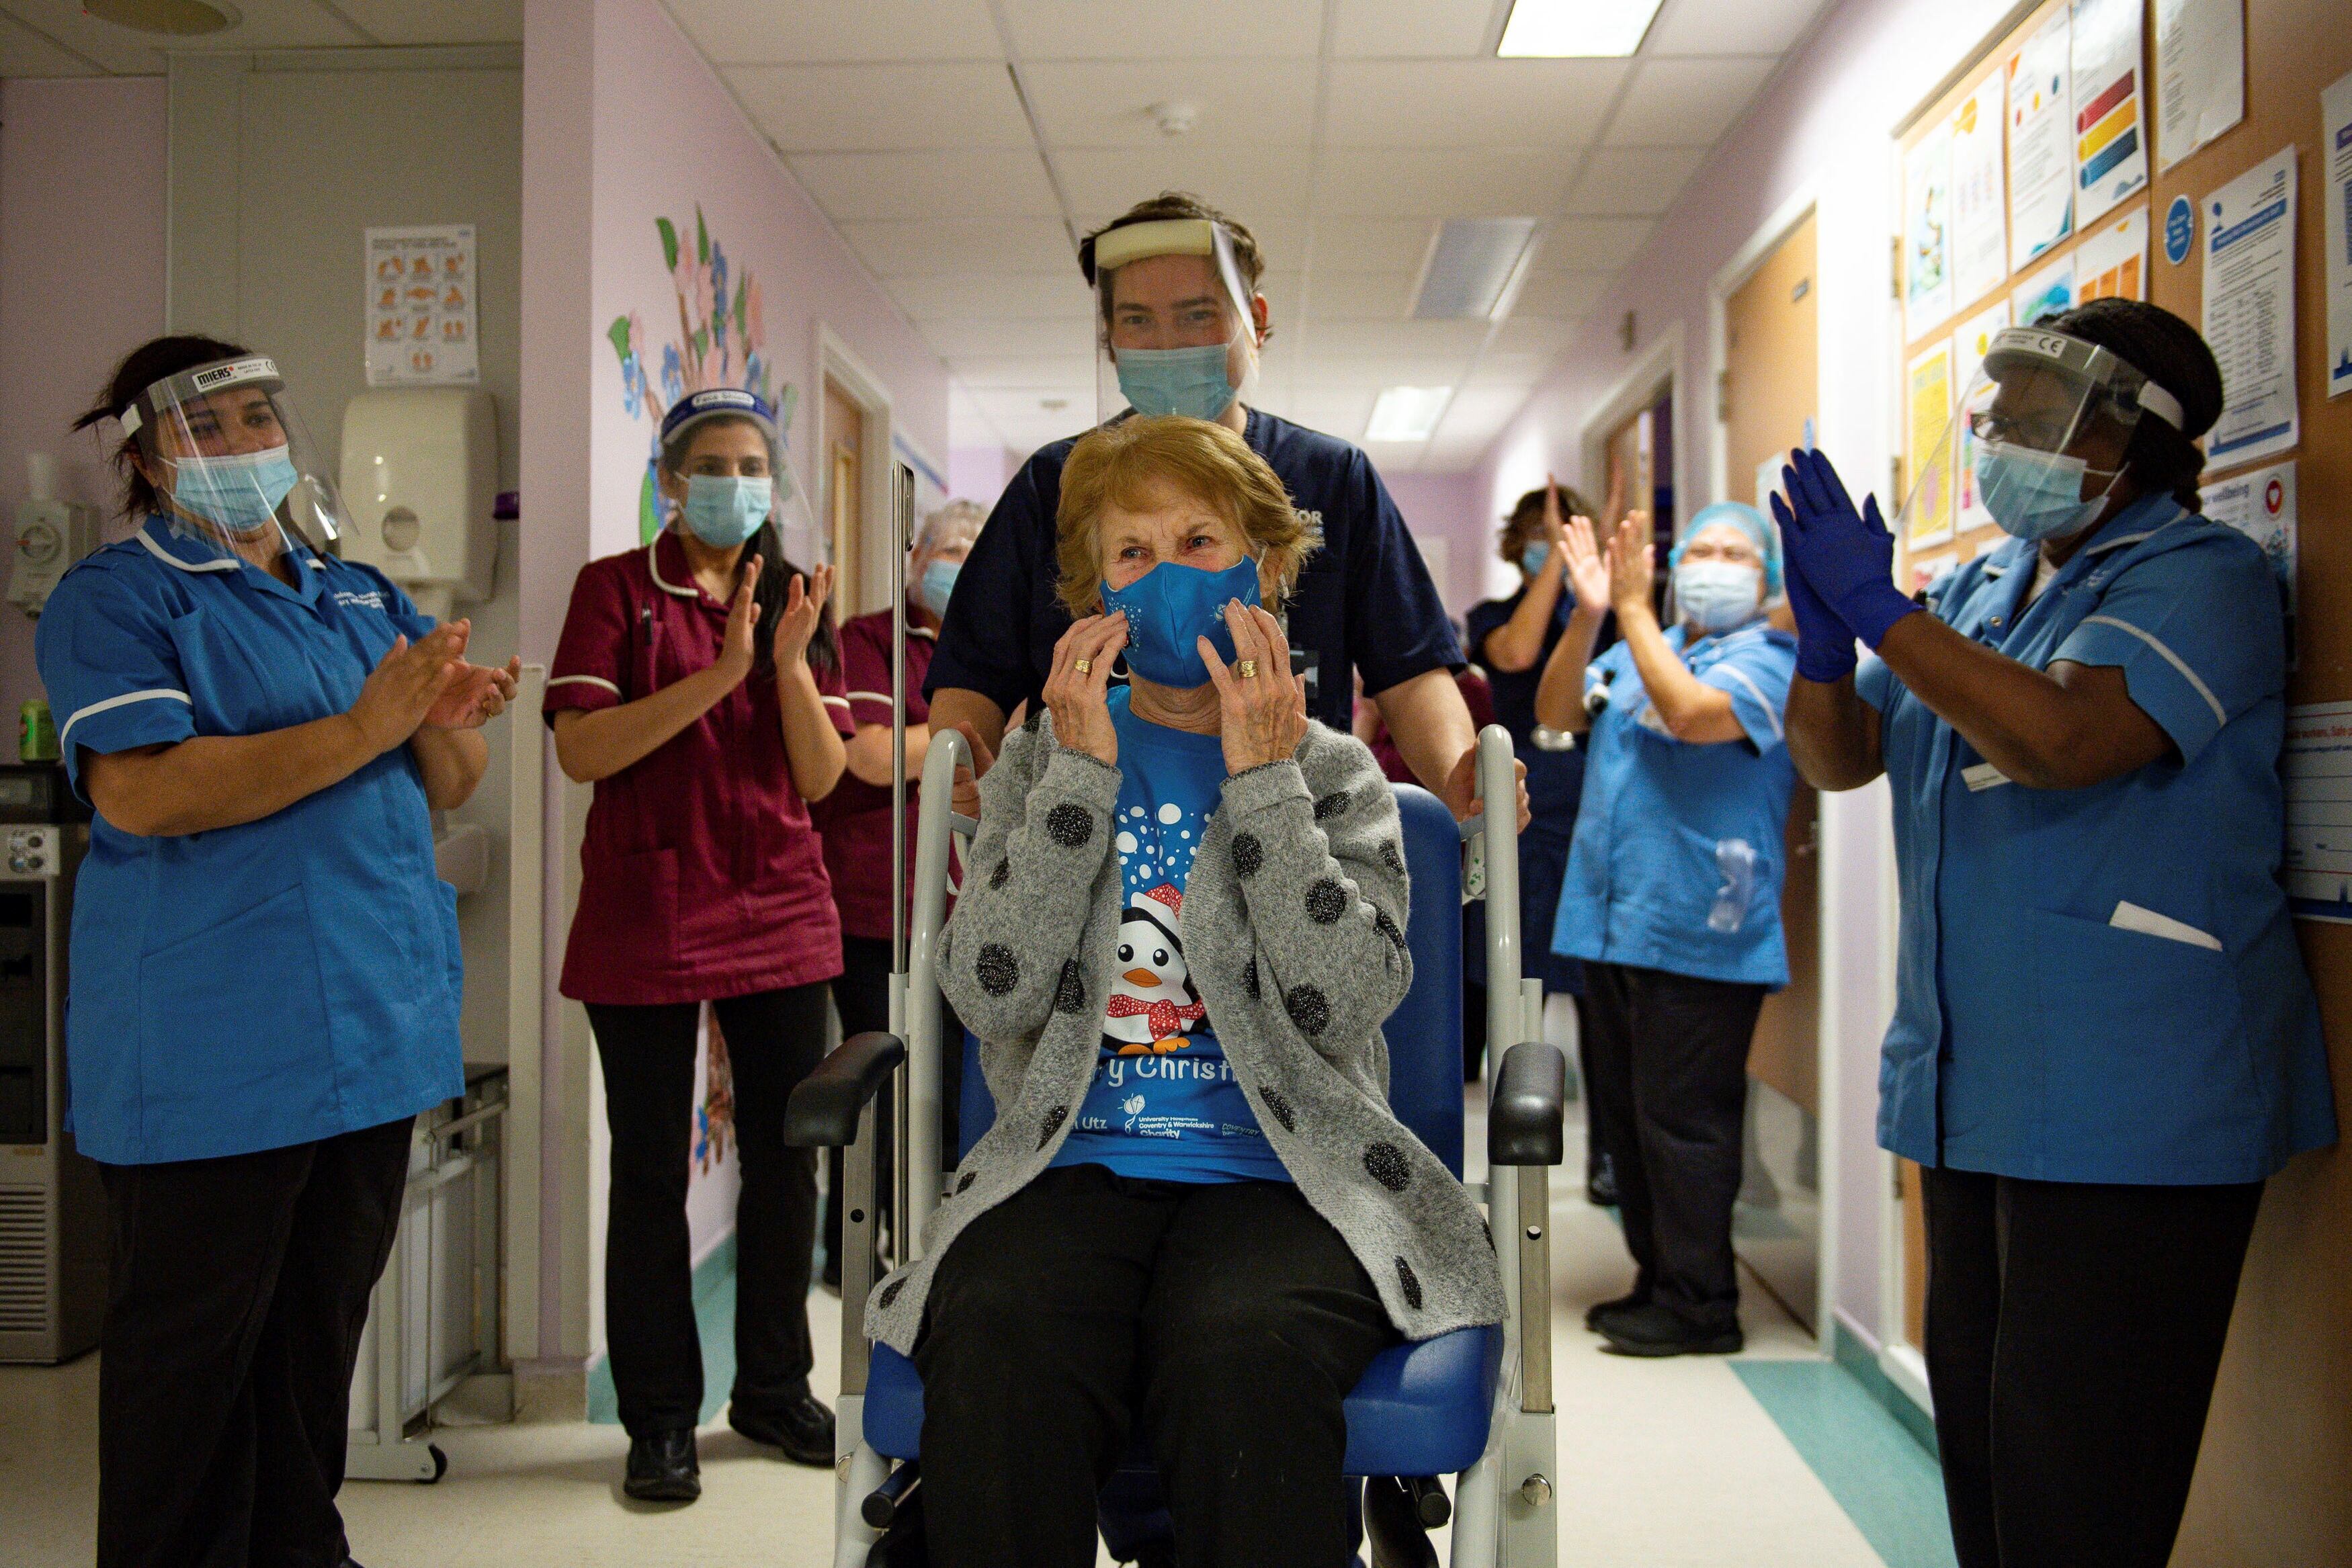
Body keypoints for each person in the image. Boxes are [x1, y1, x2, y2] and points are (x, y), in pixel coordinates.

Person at [866, 416, 1503, 1567]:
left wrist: (1263, 788)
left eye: (1200, 539)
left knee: (1242, 1347)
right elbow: (989, 993)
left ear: (1264, 566)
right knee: (999, 1335)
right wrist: (1072, 780)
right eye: (1131, 553)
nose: (1166, 575)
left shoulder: (1335, 771)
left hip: (1287, 1169)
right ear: (1089, 594)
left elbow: (1345, 1001)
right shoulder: (1039, 756)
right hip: (1070, 1161)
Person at [1776, 299, 2335, 1568]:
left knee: (2081, 1481)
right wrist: (1825, 642)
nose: (1997, 432)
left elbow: (2063, 741)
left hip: (2136, 1104)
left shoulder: (2200, 575)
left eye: (2035, 412)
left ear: (2130, 438)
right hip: (1977, 1093)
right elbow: (1841, 756)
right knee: (1984, 1448)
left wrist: (1886, 615)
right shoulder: (1981, 586)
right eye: (1998, 407)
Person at [38, 337, 517, 1568]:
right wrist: (368, 721)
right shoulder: (122, 596)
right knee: (190, 1369)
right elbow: (142, 793)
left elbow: (448, 773)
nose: (253, 440)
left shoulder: (354, 590)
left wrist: (441, 720)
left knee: (315, 1346)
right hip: (213, 1055)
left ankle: (305, 1547)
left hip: (366, 1033)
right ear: (147, 456)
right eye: (220, 423)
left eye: (263, 415)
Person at [925, 190, 1525, 834]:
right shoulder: (1058, 483)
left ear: (1255, 320)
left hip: (1290, 824)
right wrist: (957, 776)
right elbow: (975, 676)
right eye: (1136, 321)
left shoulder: (1332, 478)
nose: (1166, 344)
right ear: (1109, 342)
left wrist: (1460, 776)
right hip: (1089, 838)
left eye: (1196, 316)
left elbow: (1410, 673)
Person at [545, 387, 850, 1501]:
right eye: (713, 463)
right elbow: (583, 749)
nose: (737, 482)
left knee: (786, 1159)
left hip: (779, 902)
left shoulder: (791, 599)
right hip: (649, 911)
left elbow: (820, 777)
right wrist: (719, 673)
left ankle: (771, 1386)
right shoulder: (616, 591)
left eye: (754, 463)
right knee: (646, 1174)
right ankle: (659, 1417)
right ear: (672, 481)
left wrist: (786, 661)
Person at [1534, 499, 1798, 1358]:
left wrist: (1637, 610)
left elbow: (1688, 715)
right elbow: (1557, 712)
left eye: (1736, 552)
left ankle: (1701, 1304)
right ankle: (1657, 1280)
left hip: (1703, 927)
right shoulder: (1645, 645)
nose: (1714, 562)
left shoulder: (1770, 661)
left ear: (1765, 580)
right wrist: (1589, 615)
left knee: (1685, 1124)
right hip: (1615, 924)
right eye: (1702, 548)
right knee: (1630, 1121)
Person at [814, 497, 982, 1289]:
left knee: (954, 1089)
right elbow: (870, 758)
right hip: (876, 902)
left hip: (974, 909)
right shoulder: (869, 642)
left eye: (973, 552)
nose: (957, 564)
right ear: (915, 559)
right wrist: (972, 736)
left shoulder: (997, 642)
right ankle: (854, 1258)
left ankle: (938, 1250)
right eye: (945, 549)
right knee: (876, 1083)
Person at [1468, 478, 1611, 1193]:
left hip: (1596, 815)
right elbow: (1517, 655)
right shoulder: (1490, 616)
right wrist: (1558, 560)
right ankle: (1513, 1147)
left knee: (1598, 991)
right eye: (1535, 539)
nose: (1545, 550)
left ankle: (1610, 1160)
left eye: (1559, 537)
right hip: (1523, 814)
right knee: (1516, 981)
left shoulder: (1604, 621)